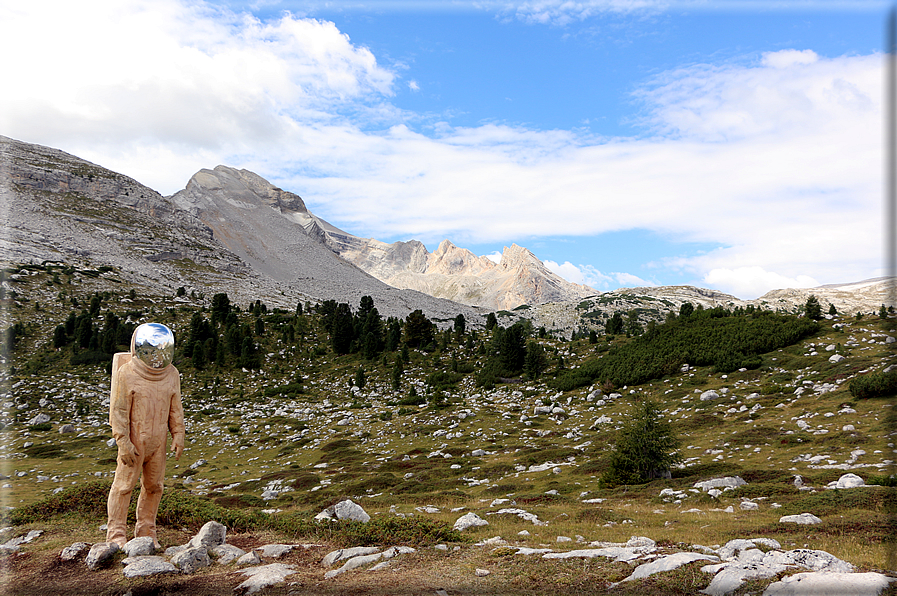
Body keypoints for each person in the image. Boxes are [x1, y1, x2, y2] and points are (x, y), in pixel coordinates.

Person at [105, 323, 185, 549]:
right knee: (123, 487)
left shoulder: (172, 375)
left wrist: (178, 433)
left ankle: (147, 530)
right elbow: (118, 411)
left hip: (158, 443)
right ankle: (116, 534)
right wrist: (123, 441)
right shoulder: (127, 373)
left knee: (154, 486)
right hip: (134, 441)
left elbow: (175, 407)